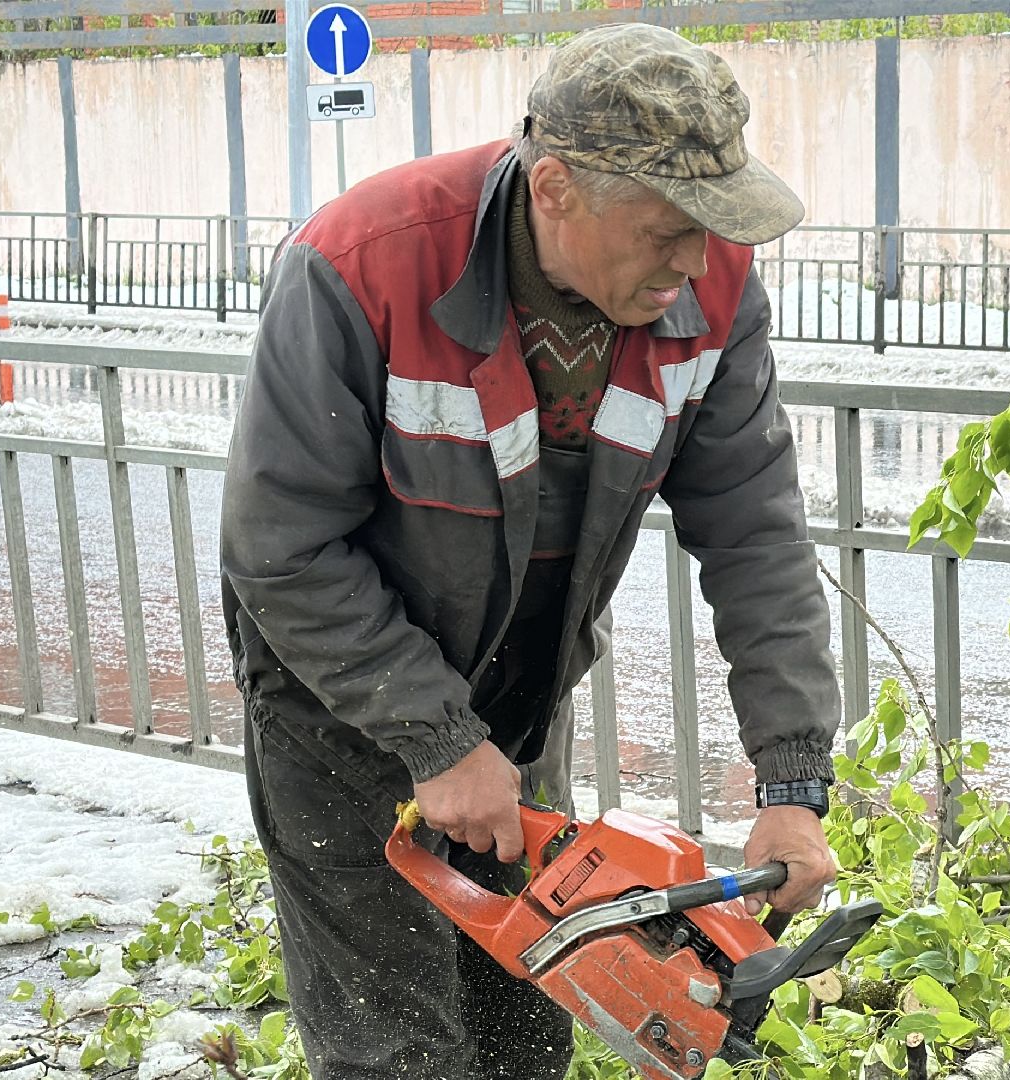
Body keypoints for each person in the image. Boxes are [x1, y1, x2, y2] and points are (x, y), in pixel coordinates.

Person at [218, 22, 842, 1080]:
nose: (695, 261)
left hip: (519, 692)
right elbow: (280, 544)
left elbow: (756, 534)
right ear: (554, 189)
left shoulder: (712, 291)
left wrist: (793, 780)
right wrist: (434, 737)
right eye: (669, 229)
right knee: (393, 1049)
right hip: (341, 700)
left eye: (710, 228)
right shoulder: (362, 266)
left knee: (523, 1026)